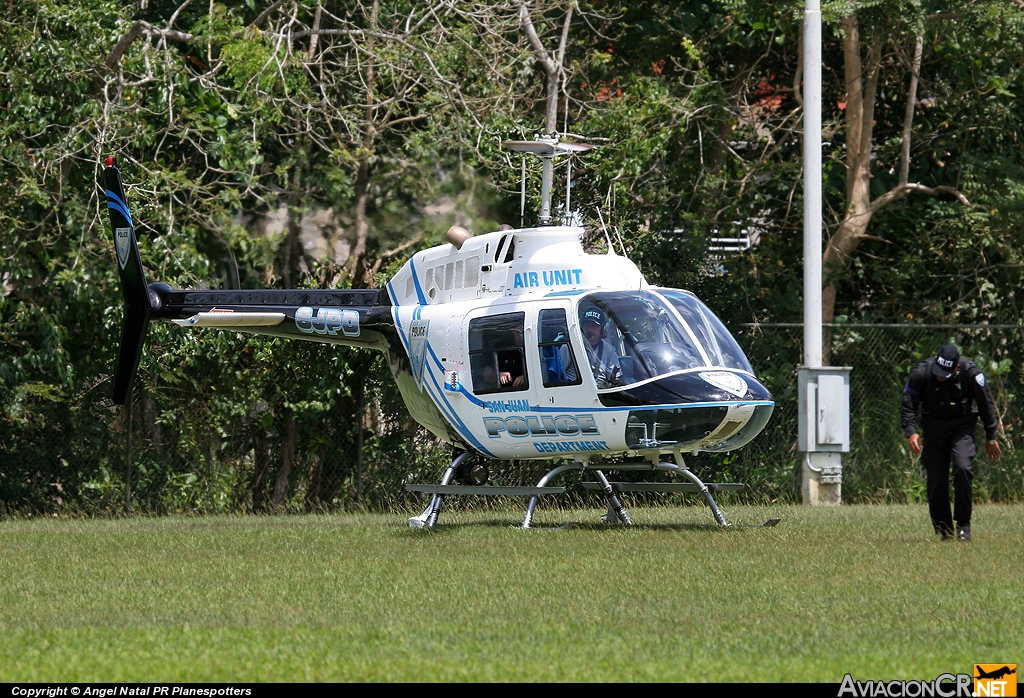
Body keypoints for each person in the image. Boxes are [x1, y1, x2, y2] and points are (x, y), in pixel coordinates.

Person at [900, 343, 1001, 541]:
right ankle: (944, 530)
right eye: (938, 371)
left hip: (961, 426)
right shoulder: (921, 373)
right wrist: (911, 432)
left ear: (956, 367)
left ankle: (964, 525)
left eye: (945, 373)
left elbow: (985, 404)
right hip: (934, 426)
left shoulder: (971, 374)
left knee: (963, 468)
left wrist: (991, 436)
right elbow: (908, 404)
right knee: (936, 478)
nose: (939, 376)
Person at [580, 306, 623, 389]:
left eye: (594, 326)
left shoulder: (609, 350)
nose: (590, 329)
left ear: (602, 329)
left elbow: (616, 378)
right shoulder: (569, 347)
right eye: (587, 325)